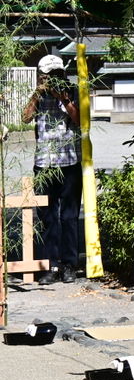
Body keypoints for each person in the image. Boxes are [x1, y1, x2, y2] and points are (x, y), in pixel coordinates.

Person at [22, 54, 81, 284]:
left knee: (69, 216)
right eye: (49, 76)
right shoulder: (39, 94)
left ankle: (69, 265)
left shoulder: (73, 91)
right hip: (44, 164)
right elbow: (25, 117)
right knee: (47, 218)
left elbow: (80, 120)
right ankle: (50, 266)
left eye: (57, 74)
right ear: (41, 76)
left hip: (69, 163)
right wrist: (38, 92)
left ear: (63, 73)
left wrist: (64, 99)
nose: (54, 79)